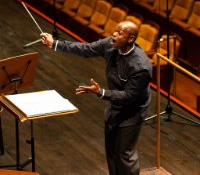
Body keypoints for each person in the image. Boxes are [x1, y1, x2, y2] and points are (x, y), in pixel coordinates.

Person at [41, 21, 152, 175]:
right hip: (114, 105)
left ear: (130, 39)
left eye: (120, 33)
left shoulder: (141, 67)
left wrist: (102, 93)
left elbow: (130, 96)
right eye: (115, 31)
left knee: (124, 154)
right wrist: (55, 44)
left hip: (132, 110)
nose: (114, 35)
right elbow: (85, 49)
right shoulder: (110, 44)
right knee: (112, 150)